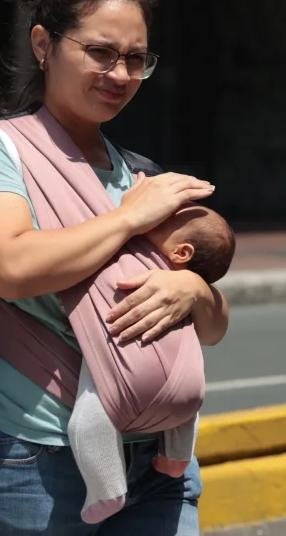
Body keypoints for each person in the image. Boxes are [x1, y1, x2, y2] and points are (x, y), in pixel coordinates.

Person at [0, 0, 230, 535]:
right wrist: (126, 218)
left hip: (160, 462)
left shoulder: (135, 169)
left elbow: (214, 328)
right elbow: (11, 267)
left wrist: (195, 293)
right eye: (100, 52)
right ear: (44, 45)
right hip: (37, 460)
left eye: (136, 59)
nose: (120, 75)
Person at [69, 203, 235, 523]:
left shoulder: (137, 259)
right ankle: (176, 457)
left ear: (182, 251)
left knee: (89, 419)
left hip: (122, 360)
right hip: (183, 378)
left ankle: (107, 488)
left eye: (168, 220)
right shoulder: (177, 282)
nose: (158, 217)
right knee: (184, 411)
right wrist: (197, 287)